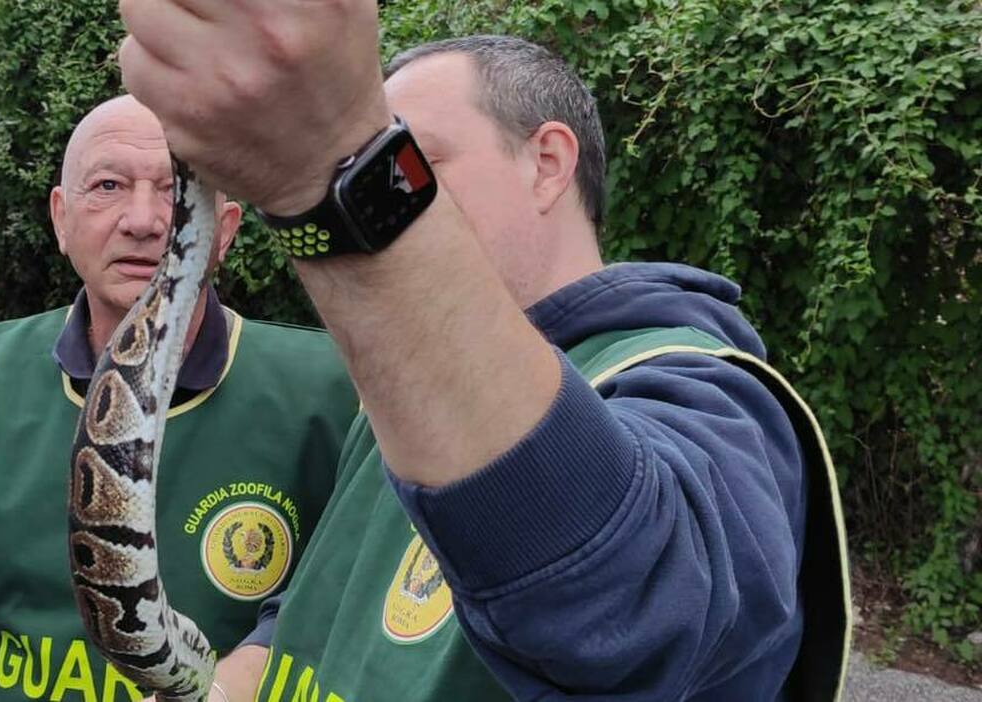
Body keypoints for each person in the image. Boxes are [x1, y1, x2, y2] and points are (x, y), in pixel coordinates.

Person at [118, 5, 850, 701]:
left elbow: (636, 621)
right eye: (383, 163)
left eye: (410, 160)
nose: (392, 184)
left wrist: (332, 166)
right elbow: (316, 608)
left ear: (547, 163)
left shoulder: (701, 390)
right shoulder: (396, 401)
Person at [0, 95, 360, 702]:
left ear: (222, 233)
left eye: (173, 192)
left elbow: (350, 616)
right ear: (62, 219)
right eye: (109, 185)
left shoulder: (333, 391)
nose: (143, 220)